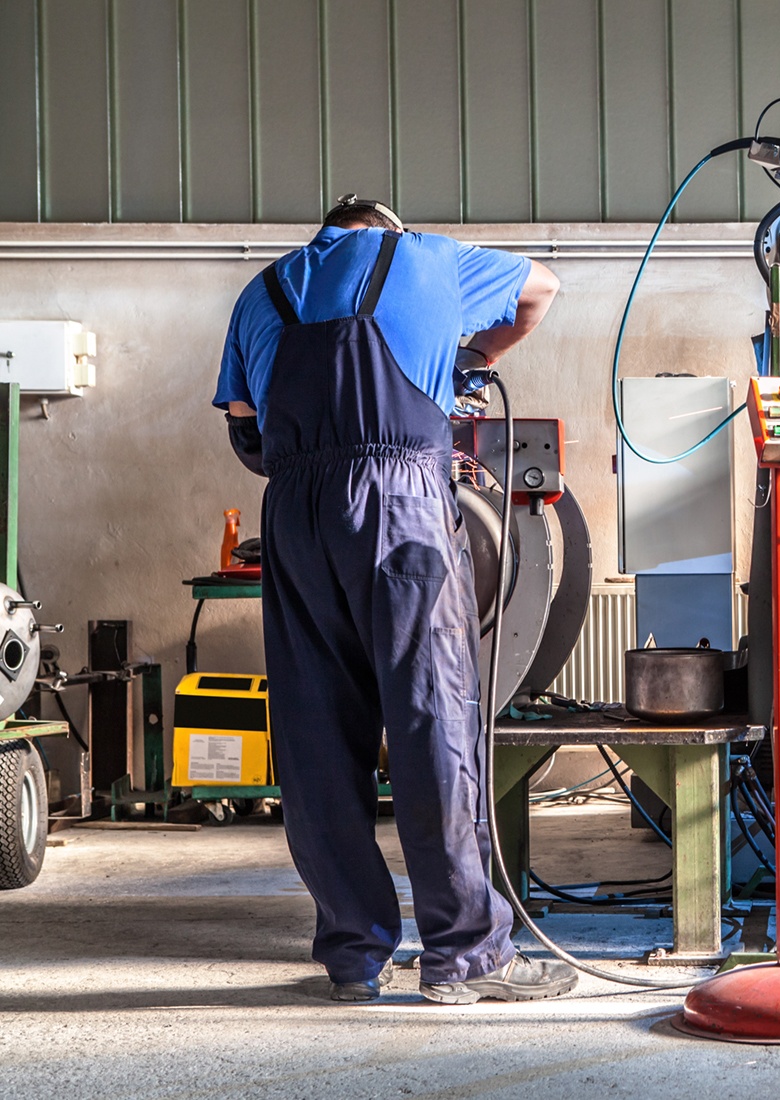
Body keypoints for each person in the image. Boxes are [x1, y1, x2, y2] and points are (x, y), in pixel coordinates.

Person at [213, 195, 570, 1005]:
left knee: (314, 735)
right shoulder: (427, 259)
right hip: (399, 500)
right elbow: (540, 289)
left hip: (296, 515)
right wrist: (466, 362)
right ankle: (464, 957)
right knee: (430, 718)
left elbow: (244, 426)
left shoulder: (260, 292)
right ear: (389, 228)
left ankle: (351, 957)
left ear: (328, 231)